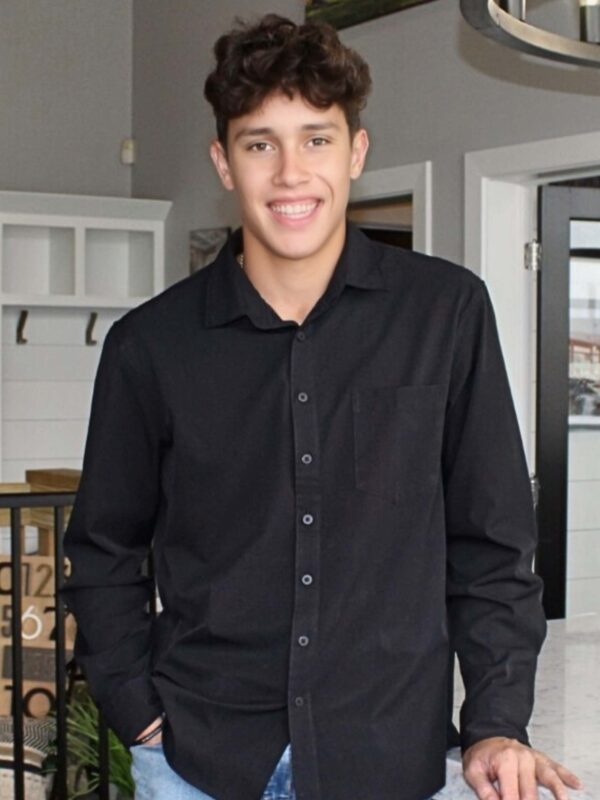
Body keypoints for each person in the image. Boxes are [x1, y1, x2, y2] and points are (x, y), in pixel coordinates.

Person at [62, 13, 582, 800]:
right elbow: (103, 551)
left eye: (316, 138)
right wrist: (138, 715)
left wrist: (496, 721)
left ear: (356, 152)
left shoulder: (445, 314)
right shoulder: (150, 346)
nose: (290, 172)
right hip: (199, 764)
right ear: (224, 163)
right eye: (259, 143)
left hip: (388, 757)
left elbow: (494, 546)